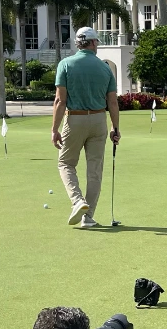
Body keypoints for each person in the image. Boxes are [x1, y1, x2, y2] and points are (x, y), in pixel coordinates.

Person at [51, 26, 121, 228]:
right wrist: (115, 128)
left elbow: (59, 101)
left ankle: (77, 201)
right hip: (99, 119)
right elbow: (113, 102)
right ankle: (88, 216)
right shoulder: (105, 67)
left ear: (78, 43)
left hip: (75, 119)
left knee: (66, 163)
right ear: (92, 42)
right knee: (95, 170)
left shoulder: (65, 64)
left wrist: (54, 129)